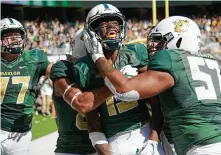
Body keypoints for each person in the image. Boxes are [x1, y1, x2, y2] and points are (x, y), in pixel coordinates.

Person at [85, 15, 221, 155]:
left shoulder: (170, 58)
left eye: (161, 41)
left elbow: (124, 90)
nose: (155, 46)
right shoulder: (211, 61)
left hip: (201, 146)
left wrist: (97, 56)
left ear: (179, 40)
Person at [73, 4, 164, 155]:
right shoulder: (84, 67)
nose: (111, 27)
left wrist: (153, 140)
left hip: (145, 131)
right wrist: (105, 152)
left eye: (115, 23)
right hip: (114, 139)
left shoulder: (135, 53)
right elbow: (92, 119)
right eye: (103, 23)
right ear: (92, 32)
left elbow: (157, 103)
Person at [50, 28, 111, 155]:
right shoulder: (64, 68)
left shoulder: (103, 69)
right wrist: (117, 85)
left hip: (103, 144)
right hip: (71, 149)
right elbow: (81, 103)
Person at [0, 18, 52, 155]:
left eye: (17, 34)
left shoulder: (34, 57)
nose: (15, 38)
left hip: (21, 132)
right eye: (9, 34)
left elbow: (55, 72)